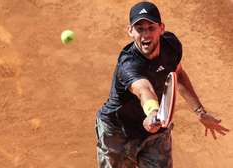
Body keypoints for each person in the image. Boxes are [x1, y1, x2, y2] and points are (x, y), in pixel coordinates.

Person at [95, 1, 230, 168]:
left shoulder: (171, 46)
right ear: (130, 31)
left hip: (155, 130)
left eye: (151, 28)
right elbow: (144, 90)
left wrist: (200, 111)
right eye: (139, 29)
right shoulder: (128, 64)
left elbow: (177, 74)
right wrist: (152, 112)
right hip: (118, 132)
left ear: (161, 28)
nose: (146, 34)